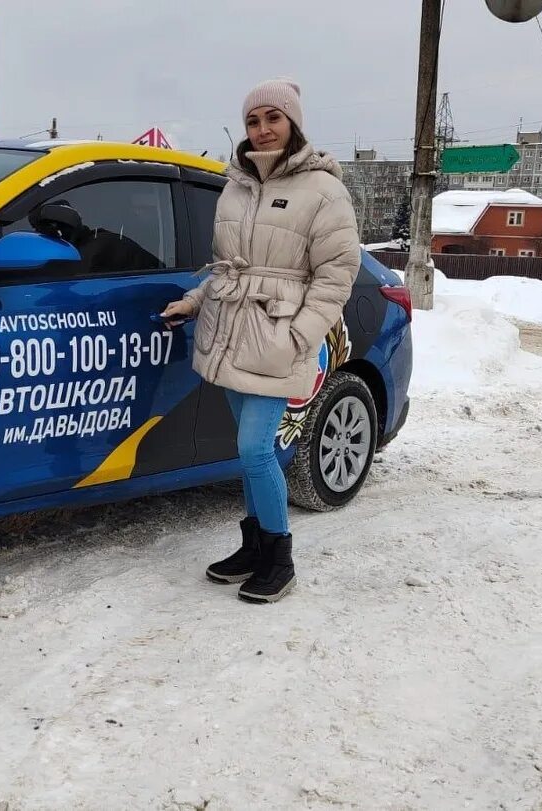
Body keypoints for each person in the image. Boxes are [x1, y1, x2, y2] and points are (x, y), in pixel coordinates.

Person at [160, 78, 360, 603]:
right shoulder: (237, 185)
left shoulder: (323, 190)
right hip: (228, 336)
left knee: (254, 449)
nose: (263, 129)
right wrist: (196, 300)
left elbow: (337, 275)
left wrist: (299, 335)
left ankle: (280, 558)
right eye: (253, 120)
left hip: (278, 339)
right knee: (249, 451)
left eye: (273, 117)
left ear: (293, 122)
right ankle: (254, 547)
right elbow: (234, 268)